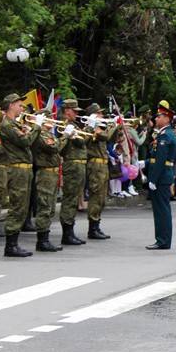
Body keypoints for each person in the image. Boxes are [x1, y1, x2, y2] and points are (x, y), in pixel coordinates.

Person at [0, 93, 40, 257]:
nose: (21, 108)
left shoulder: (15, 124)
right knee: (17, 205)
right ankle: (10, 245)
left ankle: (14, 243)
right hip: (17, 170)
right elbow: (25, 142)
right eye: (19, 105)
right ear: (10, 106)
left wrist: (29, 130)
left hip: (24, 169)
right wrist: (36, 128)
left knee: (22, 205)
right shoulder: (7, 125)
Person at [142, 104, 176, 249]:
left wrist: (153, 180)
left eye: (159, 116)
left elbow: (161, 160)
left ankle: (163, 240)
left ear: (166, 118)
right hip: (163, 175)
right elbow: (155, 158)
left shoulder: (165, 135)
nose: (156, 118)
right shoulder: (165, 134)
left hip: (161, 176)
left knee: (161, 210)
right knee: (161, 209)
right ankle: (162, 240)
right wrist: (144, 163)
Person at [31, 107, 66, 252]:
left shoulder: (47, 133)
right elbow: (53, 148)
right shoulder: (40, 134)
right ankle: (42, 241)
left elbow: (56, 147)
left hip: (51, 173)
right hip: (44, 173)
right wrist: (65, 137)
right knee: (44, 207)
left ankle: (45, 238)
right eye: (49, 117)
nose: (52, 120)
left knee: (50, 207)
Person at [84, 103, 117, 239]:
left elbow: (112, 139)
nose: (102, 116)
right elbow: (106, 137)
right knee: (96, 196)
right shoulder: (91, 128)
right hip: (95, 166)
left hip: (103, 165)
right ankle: (92, 228)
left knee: (102, 197)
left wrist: (114, 127)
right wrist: (113, 126)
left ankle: (96, 225)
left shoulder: (99, 127)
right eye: (99, 113)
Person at [58, 99, 88, 245]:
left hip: (79, 166)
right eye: (74, 111)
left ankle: (70, 231)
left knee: (74, 199)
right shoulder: (65, 126)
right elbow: (78, 143)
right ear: (67, 111)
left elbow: (84, 141)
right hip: (72, 165)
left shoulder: (74, 125)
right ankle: (67, 233)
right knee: (69, 199)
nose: (76, 114)